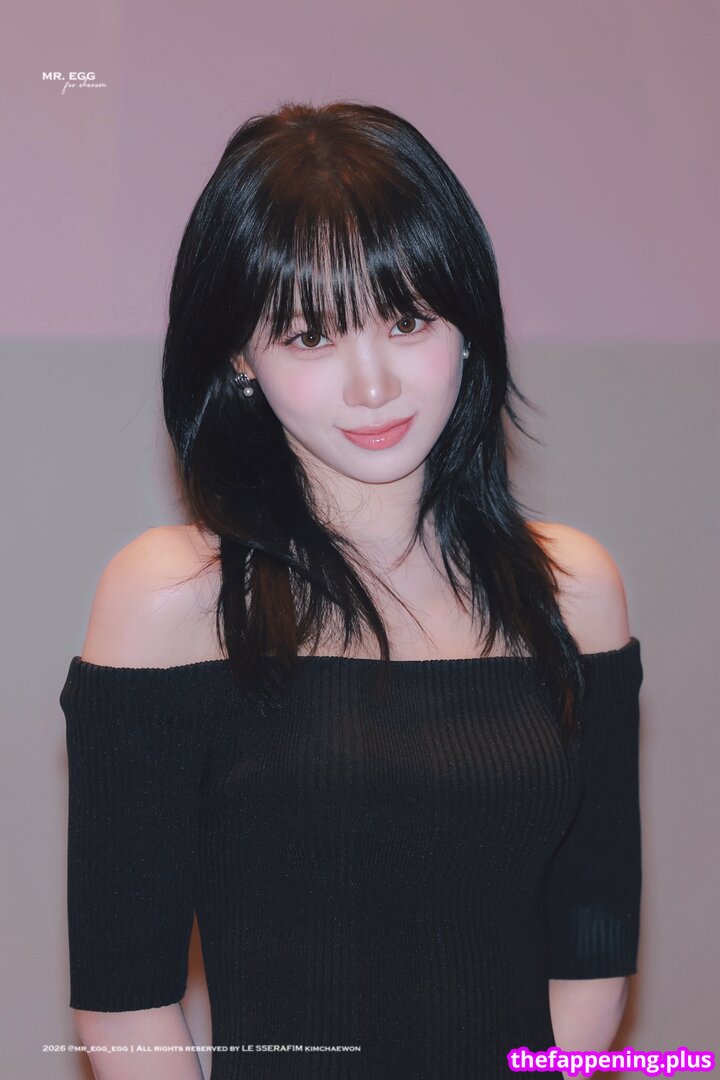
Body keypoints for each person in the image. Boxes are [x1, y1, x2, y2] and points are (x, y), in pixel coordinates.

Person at [60, 101, 643, 1080]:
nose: (373, 385)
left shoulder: (574, 590)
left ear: (469, 325)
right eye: (309, 337)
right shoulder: (170, 600)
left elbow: (591, 954)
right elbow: (124, 1005)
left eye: (408, 320)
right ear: (239, 356)